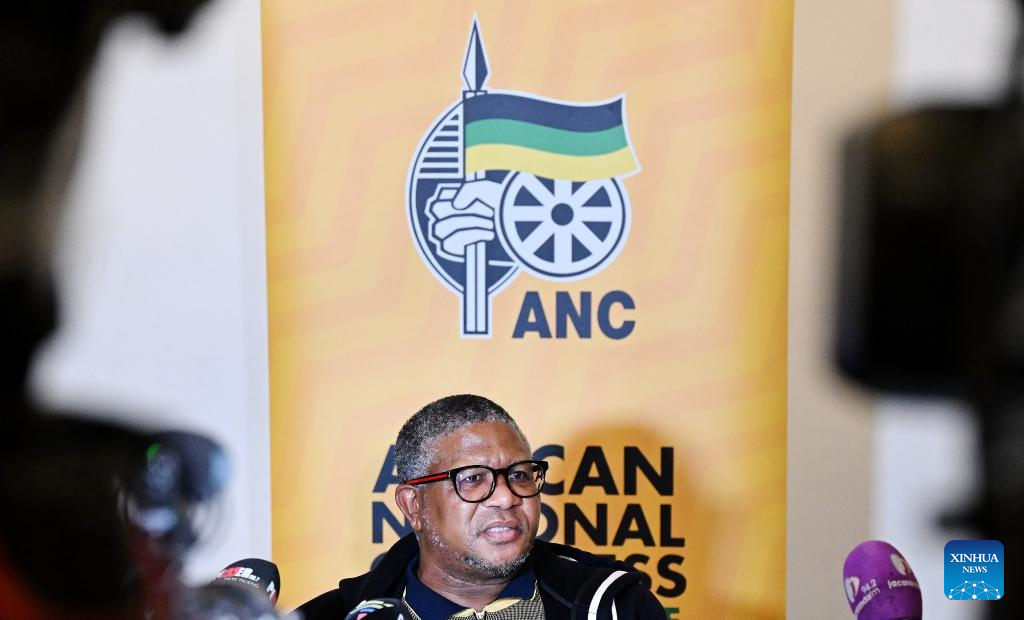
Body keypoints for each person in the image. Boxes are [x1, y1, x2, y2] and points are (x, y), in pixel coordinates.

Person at [298, 394, 666, 619]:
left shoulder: (620, 607)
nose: (507, 497)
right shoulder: (330, 616)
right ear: (414, 505)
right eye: (473, 478)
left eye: (519, 474)